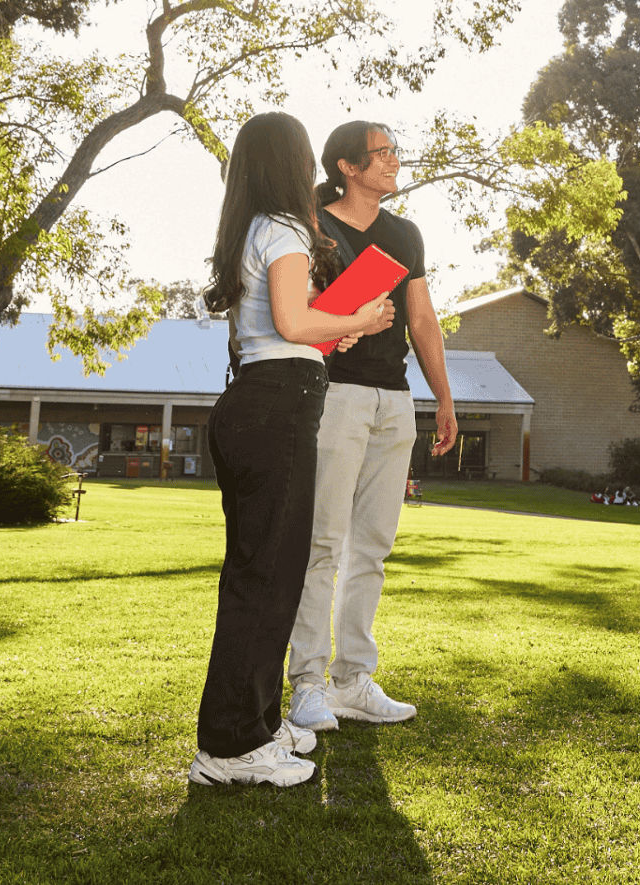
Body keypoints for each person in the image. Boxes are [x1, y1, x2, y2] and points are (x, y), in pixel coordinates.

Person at [190, 112, 396, 786]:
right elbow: (292, 321)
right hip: (274, 410)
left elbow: (292, 327)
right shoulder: (281, 229)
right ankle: (227, 749)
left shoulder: (256, 228)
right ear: (290, 160)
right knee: (262, 581)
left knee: (271, 578)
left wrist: (336, 323)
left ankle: (256, 724)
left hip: (268, 403)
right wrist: (357, 317)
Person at [288, 121, 455, 733]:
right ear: (347, 167)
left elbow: (423, 319)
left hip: (394, 402)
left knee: (373, 549)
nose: (393, 162)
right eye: (381, 154)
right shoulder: (311, 227)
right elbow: (292, 312)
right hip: (333, 396)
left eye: (393, 152)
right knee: (322, 545)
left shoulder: (405, 233)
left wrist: (443, 397)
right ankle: (307, 684)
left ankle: (352, 680)